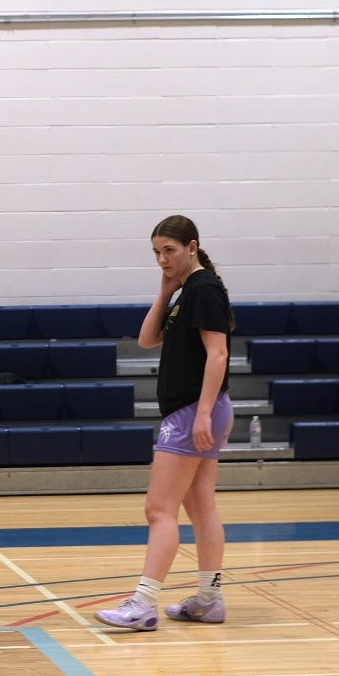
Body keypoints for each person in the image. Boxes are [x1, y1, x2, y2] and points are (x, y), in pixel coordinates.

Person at [95, 214, 234, 632]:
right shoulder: (186, 290)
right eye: (156, 252)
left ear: (192, 246)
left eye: (169, 251)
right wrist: (164, 291)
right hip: (198, 409)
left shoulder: (204, 288)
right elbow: (146, 339)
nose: (162, 259)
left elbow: (219, 354)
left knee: (159, 509)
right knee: (200, 504)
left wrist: (204, 412)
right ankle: (209, 599)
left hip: (193, 409)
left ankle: (143, 603)